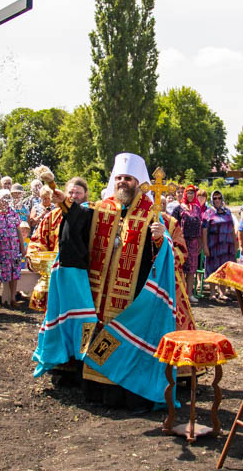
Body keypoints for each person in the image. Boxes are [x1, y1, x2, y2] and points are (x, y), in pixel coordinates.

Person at [39, 152, 193, 404]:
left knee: (123, 339)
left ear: (139, 182)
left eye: (129, 178)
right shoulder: (103, 208)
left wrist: (158, 239)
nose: (123, 182)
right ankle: (96, 388)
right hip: (98, 295)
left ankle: (127, 392)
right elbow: (79, 222)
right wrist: (65, 205)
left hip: (133, 300)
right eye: (119, 177)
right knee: (98, 337)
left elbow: (177, 256)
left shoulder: (156, 217)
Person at [0, 189, 24, 309]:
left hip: (13, 248)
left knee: (14, 273)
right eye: (4, 198)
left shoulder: (12, 212)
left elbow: (18, 230)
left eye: (8, 198)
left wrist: (22, 247)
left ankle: (13, 298)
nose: (6, 200)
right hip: (0, 249)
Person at [172, 185, 205, 300]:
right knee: (180, 267)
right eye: (188, 192)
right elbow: (173, 225)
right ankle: (180, 294)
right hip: (181, 241)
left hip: (194, 242)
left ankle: (190, 294)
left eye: (192, 193)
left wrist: (200, 240)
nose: (190, 195)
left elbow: (200, 225)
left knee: (191, 269)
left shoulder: (197, 208)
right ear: (185, 194)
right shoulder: (178, 208)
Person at [202, 190, 236, 297]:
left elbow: (232, 228)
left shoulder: (228, 212)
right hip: (213, 245)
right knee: (213, 267)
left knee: (224, 268)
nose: (217, 200)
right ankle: (212, 292)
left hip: (227, 245)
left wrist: (235, 244)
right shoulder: (208, 213)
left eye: (219, 198)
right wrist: (205, 246)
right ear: (212, 199)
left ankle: (222, 292)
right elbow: (204, 231)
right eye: (215, 198)